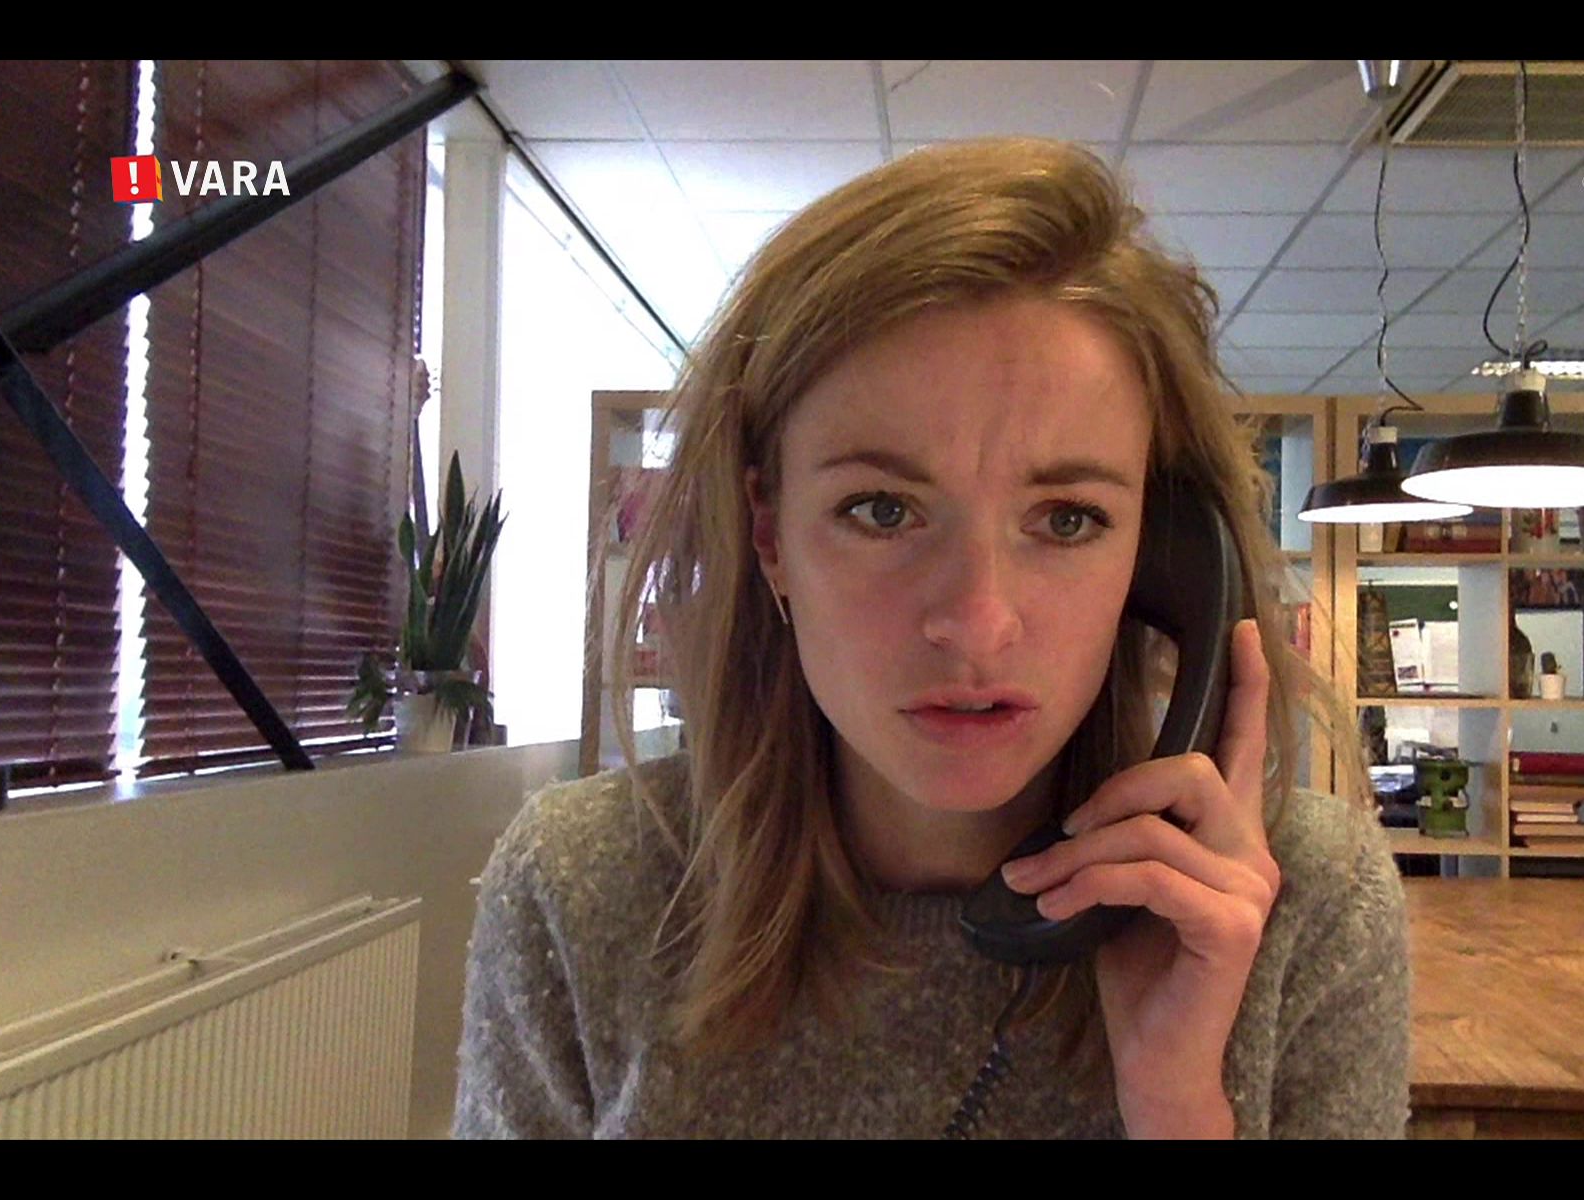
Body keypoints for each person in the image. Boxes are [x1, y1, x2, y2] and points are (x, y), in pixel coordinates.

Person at [452, 137, 1410, 1139]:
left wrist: (1177, 1107)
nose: (977, 623)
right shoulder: (583, 884)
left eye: (1068, 519)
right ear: (771, 537)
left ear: (1162, 559)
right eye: (880, 510)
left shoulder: (1309, 904)